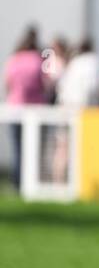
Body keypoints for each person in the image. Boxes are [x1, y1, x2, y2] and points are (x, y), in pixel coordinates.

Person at [4, 26, 46, 189]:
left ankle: (17, 181)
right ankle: (33, 181)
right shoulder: (38, 60)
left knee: (17, 147)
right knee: (34, 148)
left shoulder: (14, 59)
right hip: (36, 110)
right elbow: (44, 85)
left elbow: (8, 84)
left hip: (15, 108)